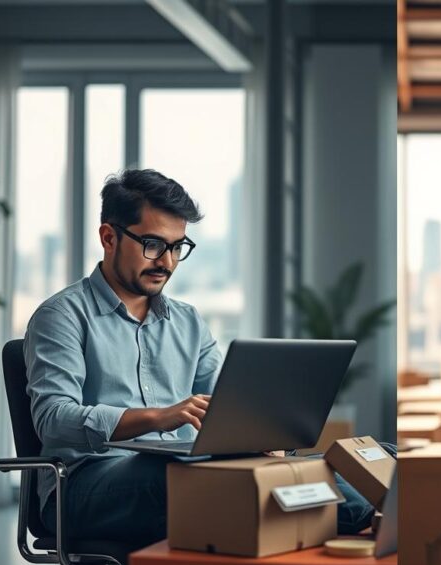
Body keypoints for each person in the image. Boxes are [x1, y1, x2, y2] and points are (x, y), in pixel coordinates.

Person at [25, 168, 374, 544]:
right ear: (109, 237)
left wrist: (259, 435)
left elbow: (228, 408)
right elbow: (53, 419)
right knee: (180, 475)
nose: (168, 262)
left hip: (178, 470)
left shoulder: (188, 321)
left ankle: (375, 517)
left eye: (177, 247)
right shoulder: (61, 316)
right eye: (153, 245)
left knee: (363, 457)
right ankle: (377, 520)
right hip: (84, 486)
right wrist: (157, 418)